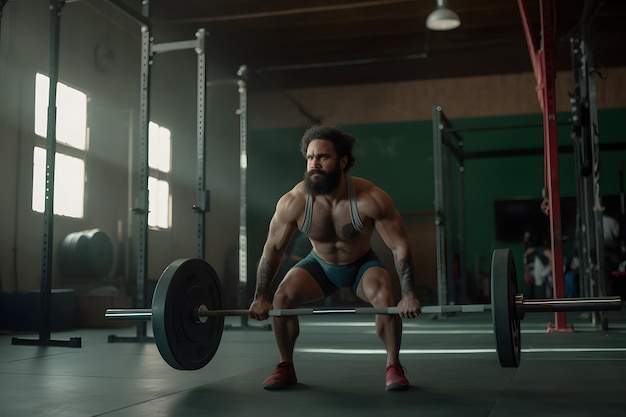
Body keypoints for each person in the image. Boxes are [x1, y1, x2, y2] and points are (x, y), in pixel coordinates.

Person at [248, 125, 421, 391]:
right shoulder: (293, 201)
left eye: (323, 157)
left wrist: (408, 294)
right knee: (282, 298)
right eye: (309, 157)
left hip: (361, 266)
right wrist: (261, 296)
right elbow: (273, 249)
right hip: (319, 266)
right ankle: (286, 365)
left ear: (342, 161)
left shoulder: (370, 198)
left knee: (385, 297)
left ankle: (393, 365)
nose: (314, 164)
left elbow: (399, 245)